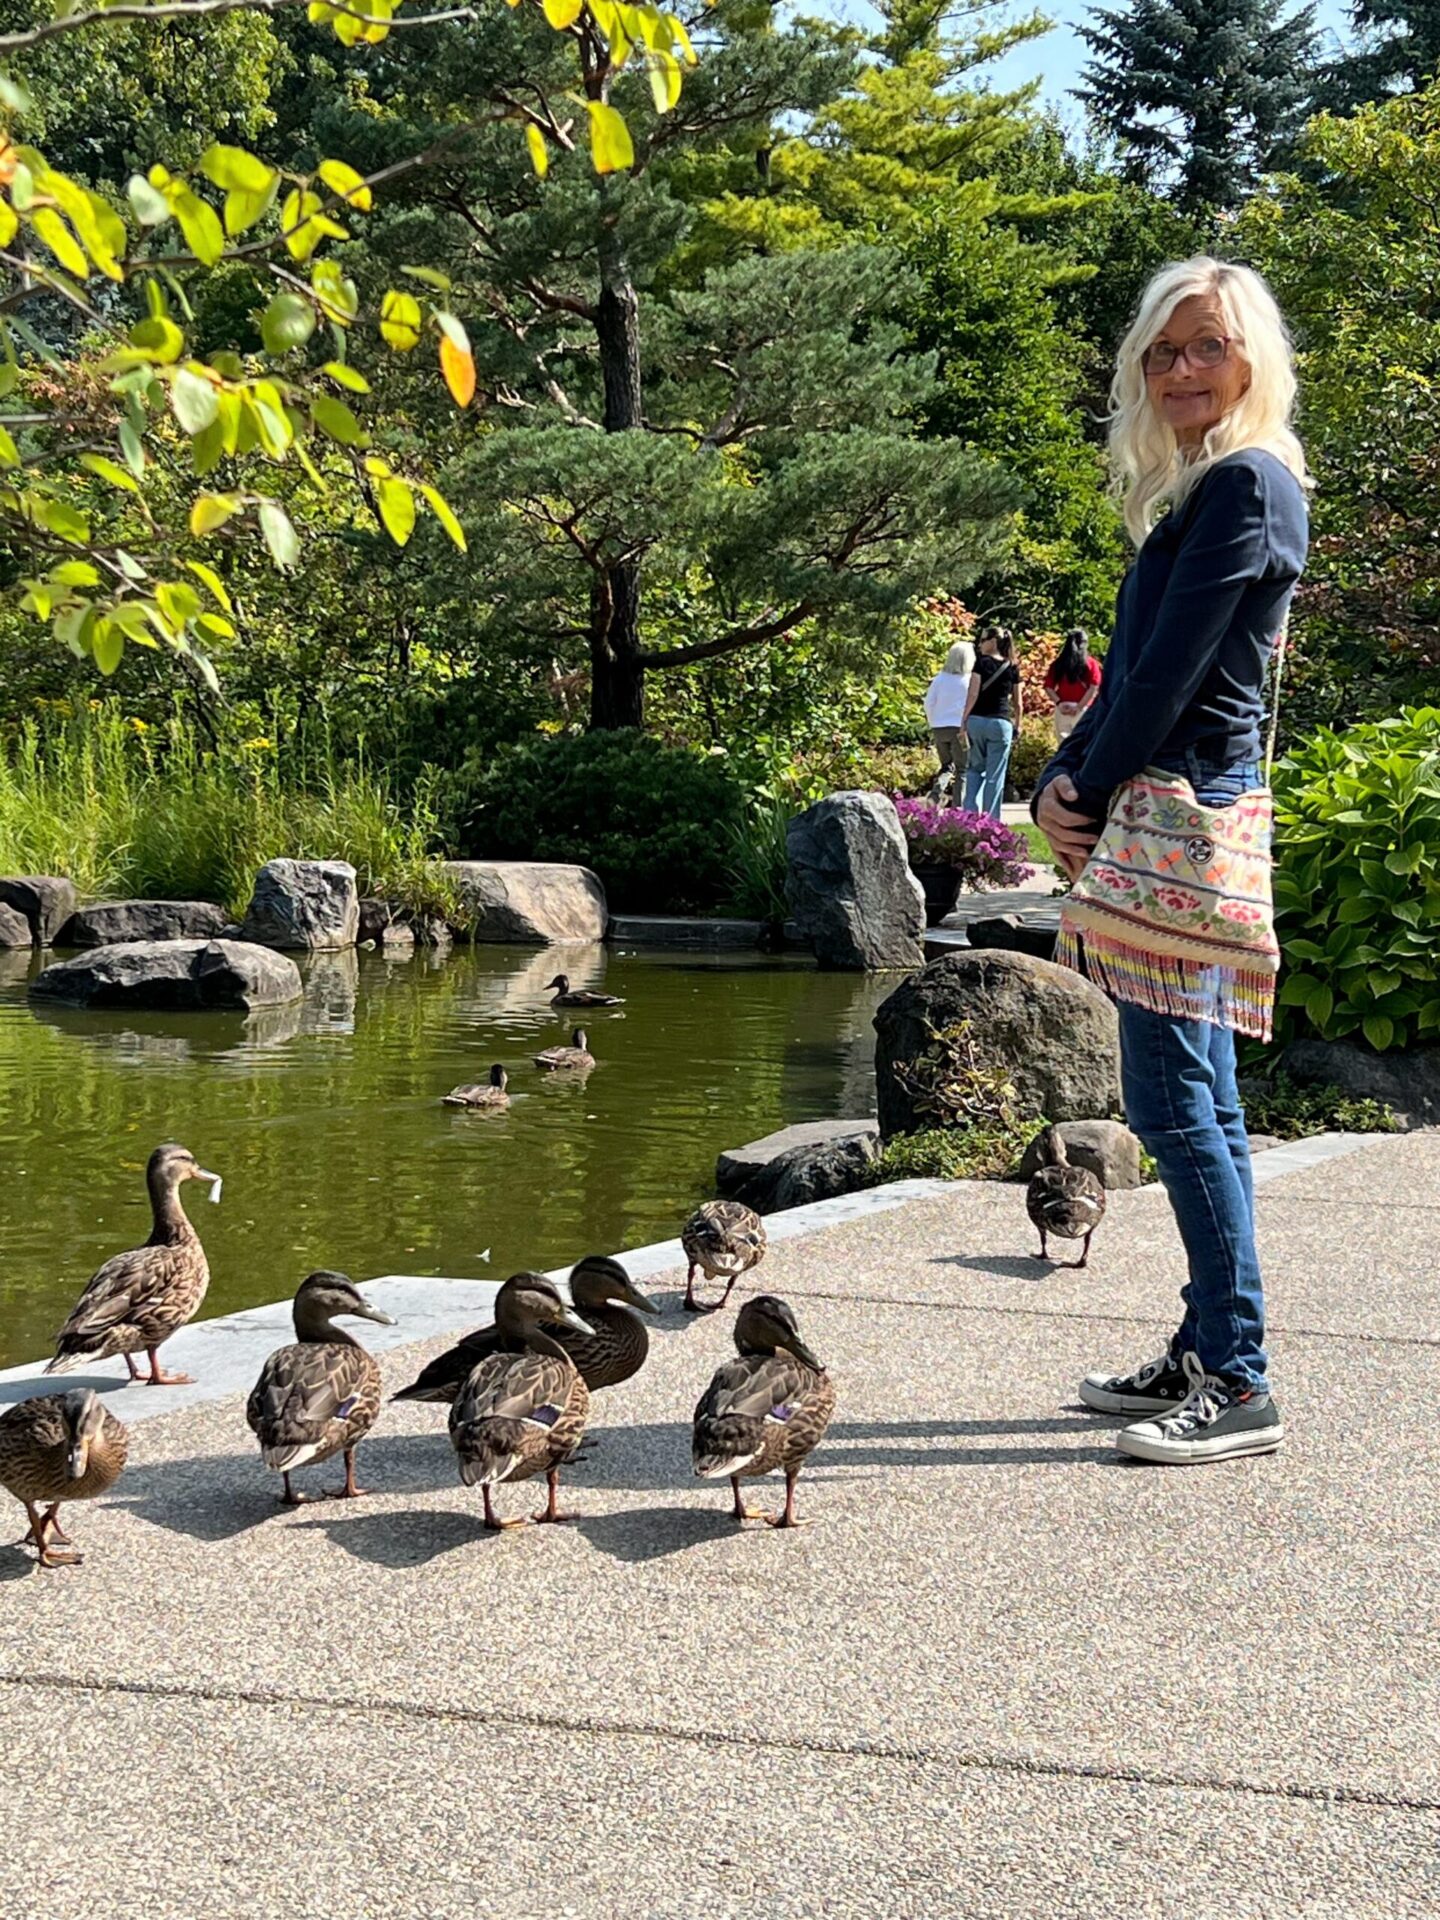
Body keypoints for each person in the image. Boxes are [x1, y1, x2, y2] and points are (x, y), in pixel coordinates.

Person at [1033, 257, 1309, 1467]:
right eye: (1162, 351)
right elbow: (1138, 672)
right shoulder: (1209, 486)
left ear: (1251, 358)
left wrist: (1082, 784)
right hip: (1171, 808)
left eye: (1205, 347)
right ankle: (1208, 1345)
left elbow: (1175, 674)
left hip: (1182, 820)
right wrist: (1063, 773)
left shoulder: (1249, 483)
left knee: (1170, 1103)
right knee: (1204, 1098)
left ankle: (1239, 1378)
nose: (1182, 369)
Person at [961, 627, 1021, 818]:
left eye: (983, 640)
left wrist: (964, 720)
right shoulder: (1012, 667)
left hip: (977, 721)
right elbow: (1018, 702)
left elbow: (972, 694)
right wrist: (1018, 725)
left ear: (993, 641)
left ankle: (969, 816)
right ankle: (991, 821)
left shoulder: (981, 664)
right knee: (995, 776)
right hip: (1001, 723)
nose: (980, 645)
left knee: (974, 769)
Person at [923, 638, 975, 800]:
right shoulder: (969, 681)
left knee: (946, 767)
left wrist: (933, 722)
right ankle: (958, 807)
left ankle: (935, 795)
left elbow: (928, 703)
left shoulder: (939, 679)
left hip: (939, 728)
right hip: (959, 729)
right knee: (962, 769)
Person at [1043, 628, 1102, 742]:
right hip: (1082, 709)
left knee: (1063, 745)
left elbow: (1048, 687)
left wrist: (1059, 703)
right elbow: (1094, 687)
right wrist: (1079, 707)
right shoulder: (1091, 663)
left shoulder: (1058, 663)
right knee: (1081, 744)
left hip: (1062, 708)